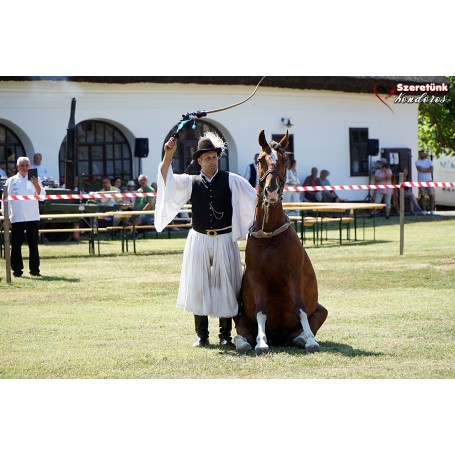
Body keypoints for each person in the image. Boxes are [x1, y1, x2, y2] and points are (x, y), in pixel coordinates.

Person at [155, 131, 256, 348]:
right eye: (207, 158)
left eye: (214, 157)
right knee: (198, 284)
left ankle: (225, 335)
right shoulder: (191, 182)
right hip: (199, 239)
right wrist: (168, 155)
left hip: (224, 238)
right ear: (199, 160)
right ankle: (202, 335)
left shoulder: (232, 180)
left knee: (226, 285)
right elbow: (165, 178)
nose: (212, 161)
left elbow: (255, 199)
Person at [3, 156, 46, 277]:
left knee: (33, 245)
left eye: (27, 165)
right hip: (16, 218)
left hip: (32, 218)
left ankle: (35, 270)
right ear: (17, 166)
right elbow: (5, 200)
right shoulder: (11, 181)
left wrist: (36, 184)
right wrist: (7, 217)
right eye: (22, 165)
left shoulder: (35, 179)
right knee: (16, 246)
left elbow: (42, 196)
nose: (25, 168)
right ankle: (17, 270)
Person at [415, 149, 435, 215]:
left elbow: (431, 169)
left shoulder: (429, 161)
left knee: (431, 195)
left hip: (429, 180)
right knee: (422, 196)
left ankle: (432, 210)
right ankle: (424, 210)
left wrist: (424, 170)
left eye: (422, 153)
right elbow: (419, 169)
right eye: (420, 153)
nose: (421, 154)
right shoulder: (417, 161)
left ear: (424, 154)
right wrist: (427, 169)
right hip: (421, 180)